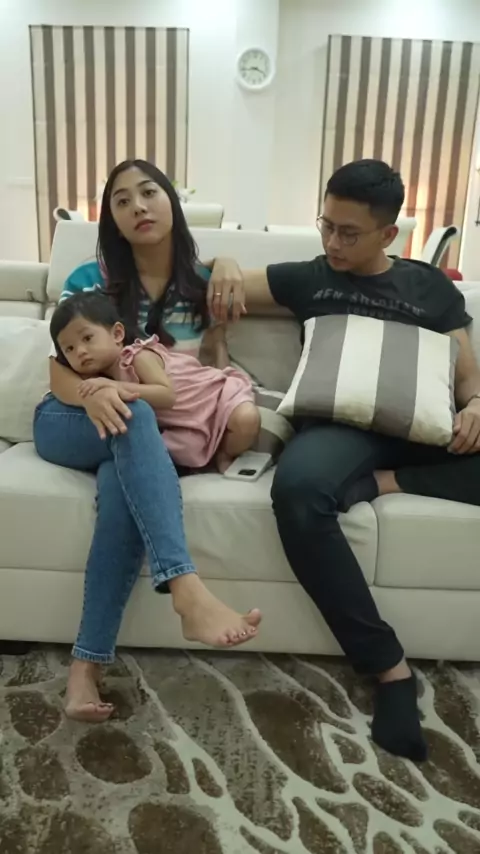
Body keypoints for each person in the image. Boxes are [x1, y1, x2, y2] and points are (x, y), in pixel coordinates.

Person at [208, 158, 480, 762]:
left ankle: (385, 482)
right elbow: (216, 280)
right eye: (326, 225)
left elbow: (465, 371)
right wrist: (223, 259)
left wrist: (476, 405)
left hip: (421, 426)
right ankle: (389, 668)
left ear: (388, 234)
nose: (332, 242)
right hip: (339, 426)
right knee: (298, 491)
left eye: (348, 233)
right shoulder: (312, 277)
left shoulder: (429, 286)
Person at [34, 159, 262, 723]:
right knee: (131, 414)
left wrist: (228, 261)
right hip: (68, 417)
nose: (137, 206)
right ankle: (185, 589)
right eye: (121, 200)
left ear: (171, 203)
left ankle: (85, 669)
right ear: (111, 219)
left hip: (139, 432)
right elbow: (58, 371)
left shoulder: (203, 284)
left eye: (148, 193)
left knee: (122, 485)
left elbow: (293, 294)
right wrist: (90, 394)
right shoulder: (88, 281)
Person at [50, 291, 260, 471]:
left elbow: (166, 395)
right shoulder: (98, 379)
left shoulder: (137, 356)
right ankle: (211, 453)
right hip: (186, 424)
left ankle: (224, 453)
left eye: (87, 338)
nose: (80, 351)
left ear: (117, 334)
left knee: (246, 421)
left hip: (216, 396)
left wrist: (115, 386)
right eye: (69, 348)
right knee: (177, 451)